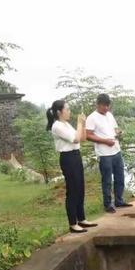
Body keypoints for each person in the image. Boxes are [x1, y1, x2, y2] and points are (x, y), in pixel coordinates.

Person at [46, 100, 97, 233]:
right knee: (73, 190)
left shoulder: (66, 124)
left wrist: (83, 124)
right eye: (67, 109)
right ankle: (73, 223)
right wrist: (79, 123)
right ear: (59, 112)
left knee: (80, 188)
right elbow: (74, 139)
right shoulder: (57, 126)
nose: (69, 111)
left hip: (76, 155)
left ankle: (82, 219)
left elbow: (82, 138)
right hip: (68, 158)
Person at [85, 94, 133, 213]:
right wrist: (105, 141)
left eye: (108, 106)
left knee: (120, 177)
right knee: (107, 180)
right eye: (104, 106)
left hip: (116, 150)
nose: (106, 108)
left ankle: (119, 200)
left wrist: (119, 132)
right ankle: (108, 204)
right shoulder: (92, 118)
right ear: (98, 104)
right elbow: (88, 135)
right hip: (104, 154)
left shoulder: (110, 115)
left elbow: (115, 128)